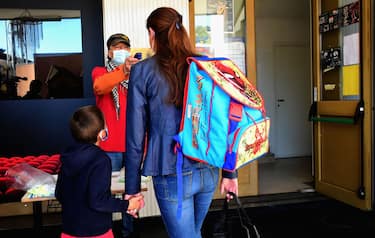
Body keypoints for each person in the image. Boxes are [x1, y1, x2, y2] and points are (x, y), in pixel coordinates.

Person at [124, 7, 238, 238]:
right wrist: (230, 172)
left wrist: (132, 189)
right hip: (208, 168)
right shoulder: (205, 66)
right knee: (192, 233)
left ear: (152, 33)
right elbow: (224, 120)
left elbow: (135, 138)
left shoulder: (143, 71)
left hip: (171, 172)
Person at [55, 105, 143, 238]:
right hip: (96, 232)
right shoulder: (101, 160)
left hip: (69, 230)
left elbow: (59, 193)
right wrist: (128, 204)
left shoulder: (67, 156)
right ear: (102, 133)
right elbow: (98, 201)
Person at [91, 33, 139, 238]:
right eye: (116, 47)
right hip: (109, 146)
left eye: (124, 47)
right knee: (105, 192)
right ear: (109, 52)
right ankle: (106, 231)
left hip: (133, 144)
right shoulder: (100, 72)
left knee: (132, 192)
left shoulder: (136, 75)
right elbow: (100, 87)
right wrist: (123, 70)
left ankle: (129, 231)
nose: (121, 50)